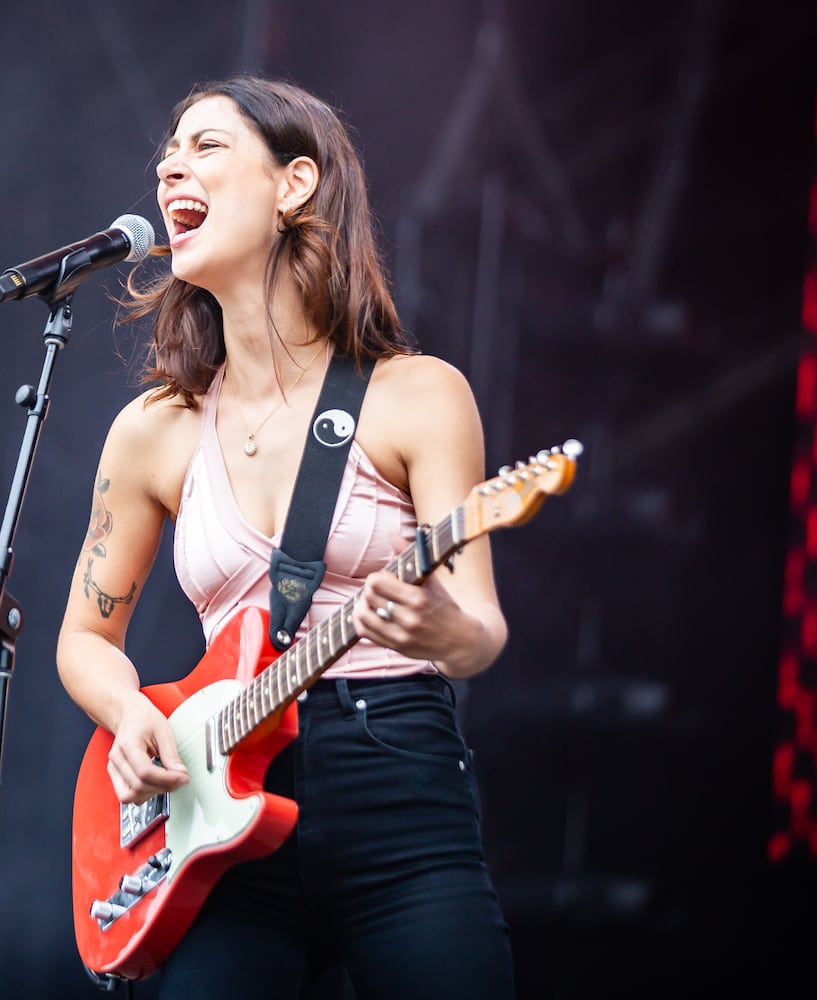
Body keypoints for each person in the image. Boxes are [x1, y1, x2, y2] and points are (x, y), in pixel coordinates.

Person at [56, 74, 515, 998]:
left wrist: (439, 632)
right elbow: (82, 639)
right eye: (167, 155)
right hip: (215, 810)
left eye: (206, 147)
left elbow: (479, 628)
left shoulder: (416, 393)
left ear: (293, 185)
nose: (171, 168)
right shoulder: (156, 428)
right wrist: (132, 713)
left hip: (393, 777)